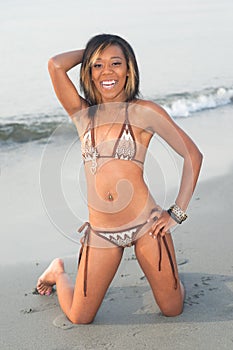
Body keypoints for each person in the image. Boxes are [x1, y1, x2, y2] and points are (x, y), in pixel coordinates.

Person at [36, 34, 203, 324]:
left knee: (172, 309)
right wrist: (92, 50)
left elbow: (192, 155)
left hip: (146, 227)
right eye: (97, 66)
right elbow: (55, 65)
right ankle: (57, 271)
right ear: (88, 71)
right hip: (101, 233)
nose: (107, 72)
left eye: (116, 63)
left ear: (129, 69)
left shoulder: (144, 112)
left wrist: (176, 213)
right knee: (79, 317)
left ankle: (171, 277)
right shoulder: (82, 114)